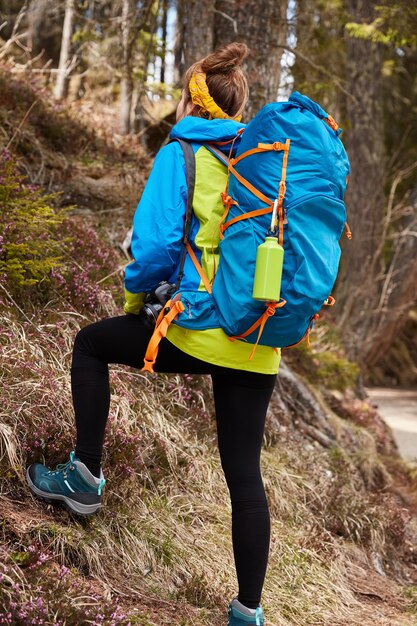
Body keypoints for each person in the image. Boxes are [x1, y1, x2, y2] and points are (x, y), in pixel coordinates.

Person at [26, 42, 280, 626]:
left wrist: (138, 299)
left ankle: (85, 476)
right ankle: (249, 611)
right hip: (259, 337)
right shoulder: (261, 161)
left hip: (195, 326)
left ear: (193, 98)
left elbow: (158, 246)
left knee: (91, 343)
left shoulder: (182, 152)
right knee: (245, 474)